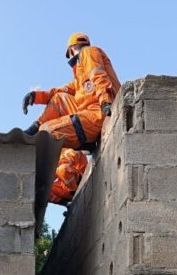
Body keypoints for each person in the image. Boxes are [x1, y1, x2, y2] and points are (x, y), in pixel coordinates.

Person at [22, 32, 120, 205]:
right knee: (59, 99)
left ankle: (67, 191)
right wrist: (35, 96)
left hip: (98, 112)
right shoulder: (79, 76)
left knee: (47, 133)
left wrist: (105, 102)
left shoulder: (88, 54)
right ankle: (34, 127)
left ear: (70, 50)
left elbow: (99, 75)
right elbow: (58, 93)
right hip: (89, 112)